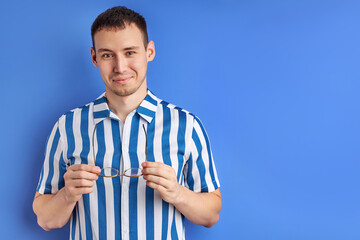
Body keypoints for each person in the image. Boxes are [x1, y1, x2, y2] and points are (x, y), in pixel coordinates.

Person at [33, 6, 221, 240]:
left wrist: (177, 193)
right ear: (94, 57)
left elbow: (211, 216)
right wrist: (67, 195)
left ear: (149, 51)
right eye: (107, 55)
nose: (120, 67)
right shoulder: (66, 127)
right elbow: (46, 220)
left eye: (130, 52)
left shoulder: (187, 126)